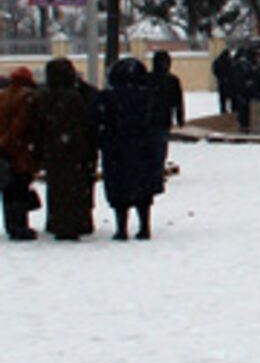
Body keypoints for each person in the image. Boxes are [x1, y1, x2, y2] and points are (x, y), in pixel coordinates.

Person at [33, 58, 96, 240]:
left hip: (53, 151)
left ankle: (57, 221)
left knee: (57, 188)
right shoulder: (74, 97)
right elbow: (82, 125)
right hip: (74, 152)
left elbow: (39, 125)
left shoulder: (44, 97)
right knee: (75, 188)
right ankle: (75, 223)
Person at [97, 57, 158, 240]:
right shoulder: (147, 95)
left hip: (116, 149)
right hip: (141, 147)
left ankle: (121, 227)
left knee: (119, 190)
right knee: (142, 189)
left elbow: (101, 121)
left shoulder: (108, 97)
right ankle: (144, 226)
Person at [0, 66, 40, 240]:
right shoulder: (27, 97)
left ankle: (11, 225)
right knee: (20, 189)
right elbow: (22, 124)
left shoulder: (3, 95)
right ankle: (20, 226)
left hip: (5, 151)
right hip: (21, 151)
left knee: (8, 190)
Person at [148, 50, 185, 194]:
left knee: (153, 147)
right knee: (160, 148)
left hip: (151, 119)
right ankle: (156, 172)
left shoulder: (148, 79)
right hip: (162, 119)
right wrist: (180, 117)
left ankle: (153, 172)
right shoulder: (172, 80)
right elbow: (178, 101)